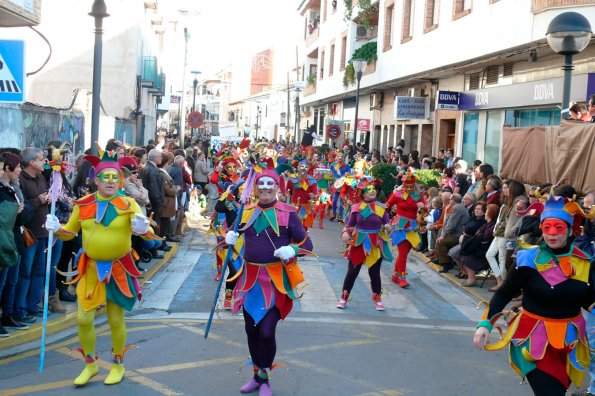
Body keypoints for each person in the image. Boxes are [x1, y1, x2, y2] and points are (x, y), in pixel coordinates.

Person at [45, 147, 160, 386]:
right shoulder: (83, 203)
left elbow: (146, 232)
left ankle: (117, 364)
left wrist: (141, 228)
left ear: (120, 179)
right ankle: (91, 364)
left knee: (115, 320)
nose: (110, 181)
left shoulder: (129, 203)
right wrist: (56, 228)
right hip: (90, 269)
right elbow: (69, 234)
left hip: (119, 269)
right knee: (84, 319)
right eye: (105, 177)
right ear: (95, 179)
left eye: (114, 177)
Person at [474, 195, 595, 396]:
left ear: (570, 229)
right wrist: (485, 324)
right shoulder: (527, 259)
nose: (552, 234)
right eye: (547, 228)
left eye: (559, 228)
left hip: (569, 341)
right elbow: (504, 293)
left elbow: (588, 299)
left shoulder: (583, 263)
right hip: (534, 339)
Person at [224, 168, 313, 396]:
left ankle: (264, 378)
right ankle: (258, 376)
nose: (264, 187)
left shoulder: (289, 212)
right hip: (250, 280)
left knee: (266, 332)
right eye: (261, 183)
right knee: (251, 330)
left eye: (269, 183)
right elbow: (231, 235)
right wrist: (228, 239)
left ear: (277, 187)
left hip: (276, 281)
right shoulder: (246, 211)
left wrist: (291, 248)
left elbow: (307, 244)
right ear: (256, 187)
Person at [337, 176, 392, 309]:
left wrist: (388, 227)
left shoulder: (381, 208)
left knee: (374, 273)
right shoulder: (356, 208)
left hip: (375, 243)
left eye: (373, 188)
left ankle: (377, 298)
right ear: (363, 192)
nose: (372, 191)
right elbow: (349, 225)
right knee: (352, 272)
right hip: (358, 243)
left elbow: (387, 223)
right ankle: (344, 297)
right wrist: (345, 233)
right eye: (369, 189)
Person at [384, 171, 426, 288]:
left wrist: (423, 207)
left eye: (411, 186)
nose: (409, 188)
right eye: (406, 186)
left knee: (405, 252)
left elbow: (425, 210)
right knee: (402, 252)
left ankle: (395, 274)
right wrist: (382, 218)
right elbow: (386, 206)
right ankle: (402, 278)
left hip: (412, 227)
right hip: (400, 226)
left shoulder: (418, 195)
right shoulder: (397, 194)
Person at [459, 203, 498, 286]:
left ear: (491, 214)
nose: (485, 212)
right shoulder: (487, 224)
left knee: (468, 256)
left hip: (484, 250)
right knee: (464, 254)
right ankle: (471, 278)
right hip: (480, 247)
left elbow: (484, 238)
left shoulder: (492, 225)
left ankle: (471, 279)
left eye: (487, 211)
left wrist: (477, 236)